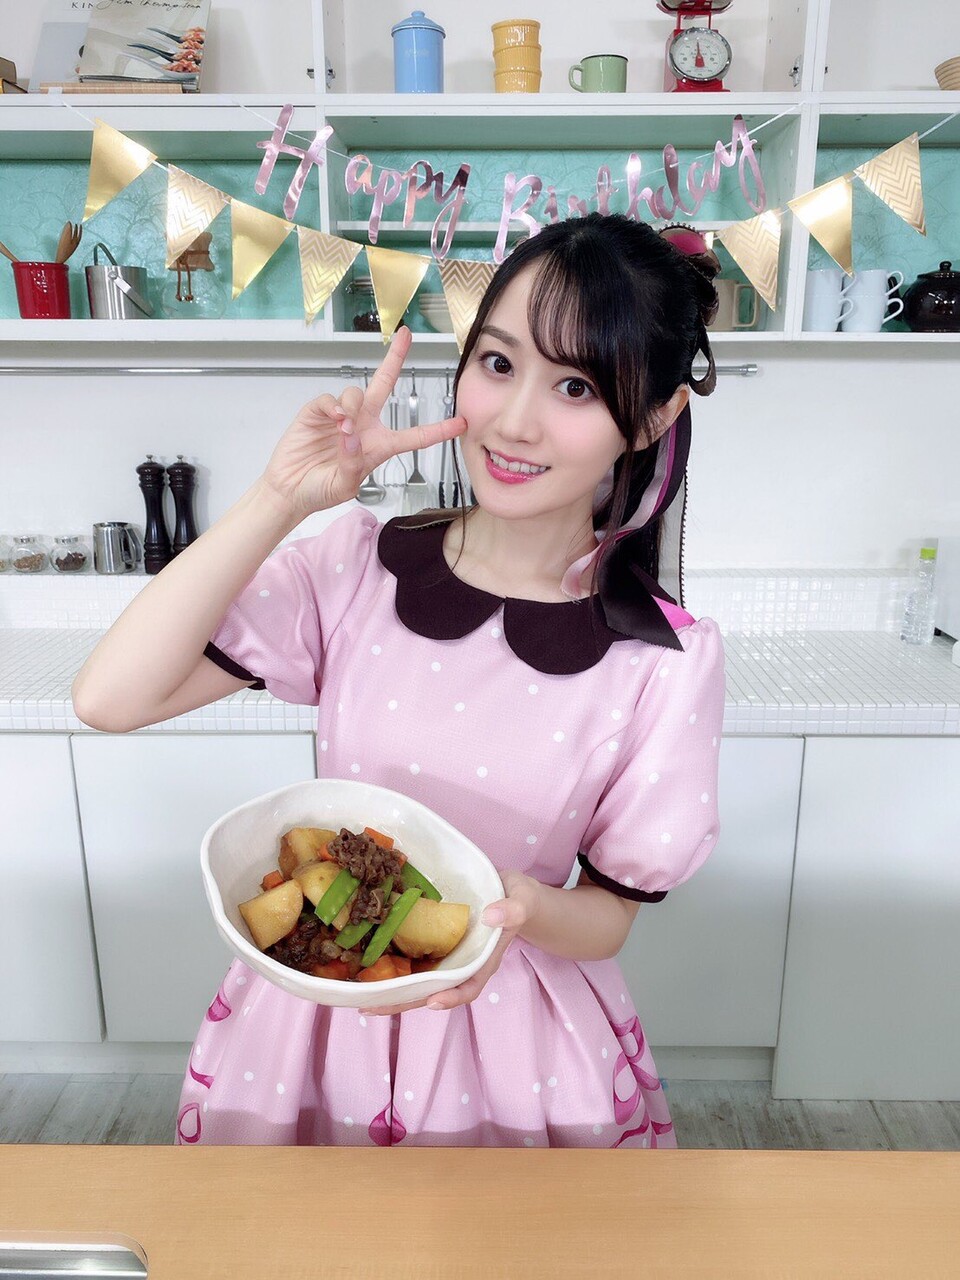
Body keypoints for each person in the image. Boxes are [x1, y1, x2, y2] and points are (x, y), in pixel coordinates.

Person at [72, 211, 726, 1149]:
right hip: (318, 1008)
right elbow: (109, 699)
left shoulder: (661, 659)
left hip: (517, 1042)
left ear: (654, 418)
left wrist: (523, 909)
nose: (513, 420)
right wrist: (280, 499)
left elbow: (610, 916)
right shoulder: (357, 567)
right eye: (497, 363)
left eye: (576, 385)